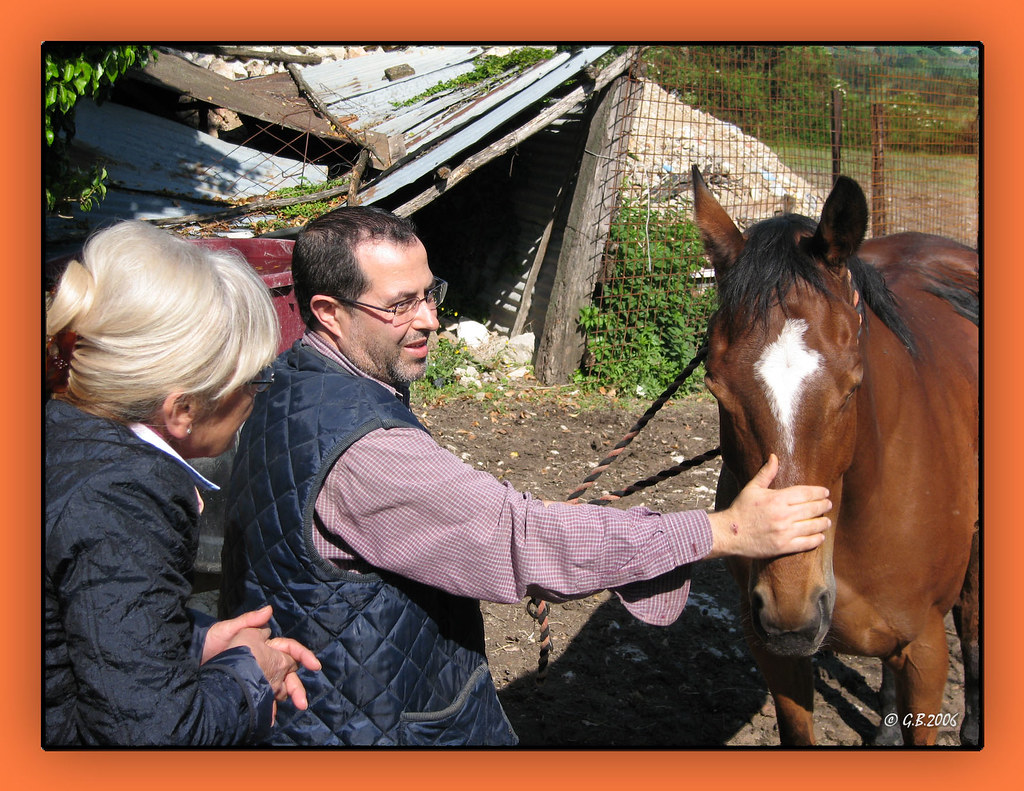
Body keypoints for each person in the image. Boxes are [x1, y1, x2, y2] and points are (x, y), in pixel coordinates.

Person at [219, 206, 832, 747]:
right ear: (328, 312)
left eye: (430, 293)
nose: (430, 319)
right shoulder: (364, 451)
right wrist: (716, 532)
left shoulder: (285, 387)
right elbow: (520, 538)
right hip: (372, 729)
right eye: (401, 304)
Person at [44, 221, 322, 746]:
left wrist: (191, 642)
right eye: (253, 380)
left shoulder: (61, 430)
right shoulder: (125, 498)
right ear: (184, 410)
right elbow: (155, 737)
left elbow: (79, 625)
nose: (257, 396)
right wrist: (250, 675)